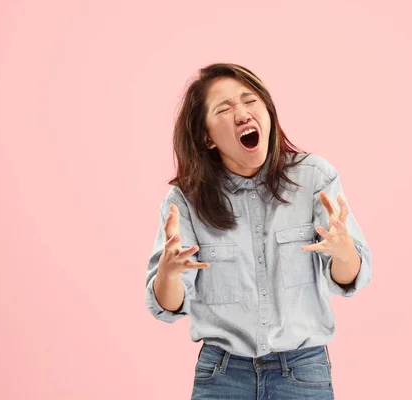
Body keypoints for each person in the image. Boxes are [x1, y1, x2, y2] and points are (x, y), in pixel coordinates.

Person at [145, 63, 372, 400]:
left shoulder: (314, 177)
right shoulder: (185, 200)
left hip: (302, 372)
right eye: (224, 108)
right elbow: (168, 305)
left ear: (267, 111)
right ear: (206, 136)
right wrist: (168, 272)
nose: (242, 114)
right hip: (222, 375)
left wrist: (343, 253)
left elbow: (350, 277)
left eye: (250, 101)